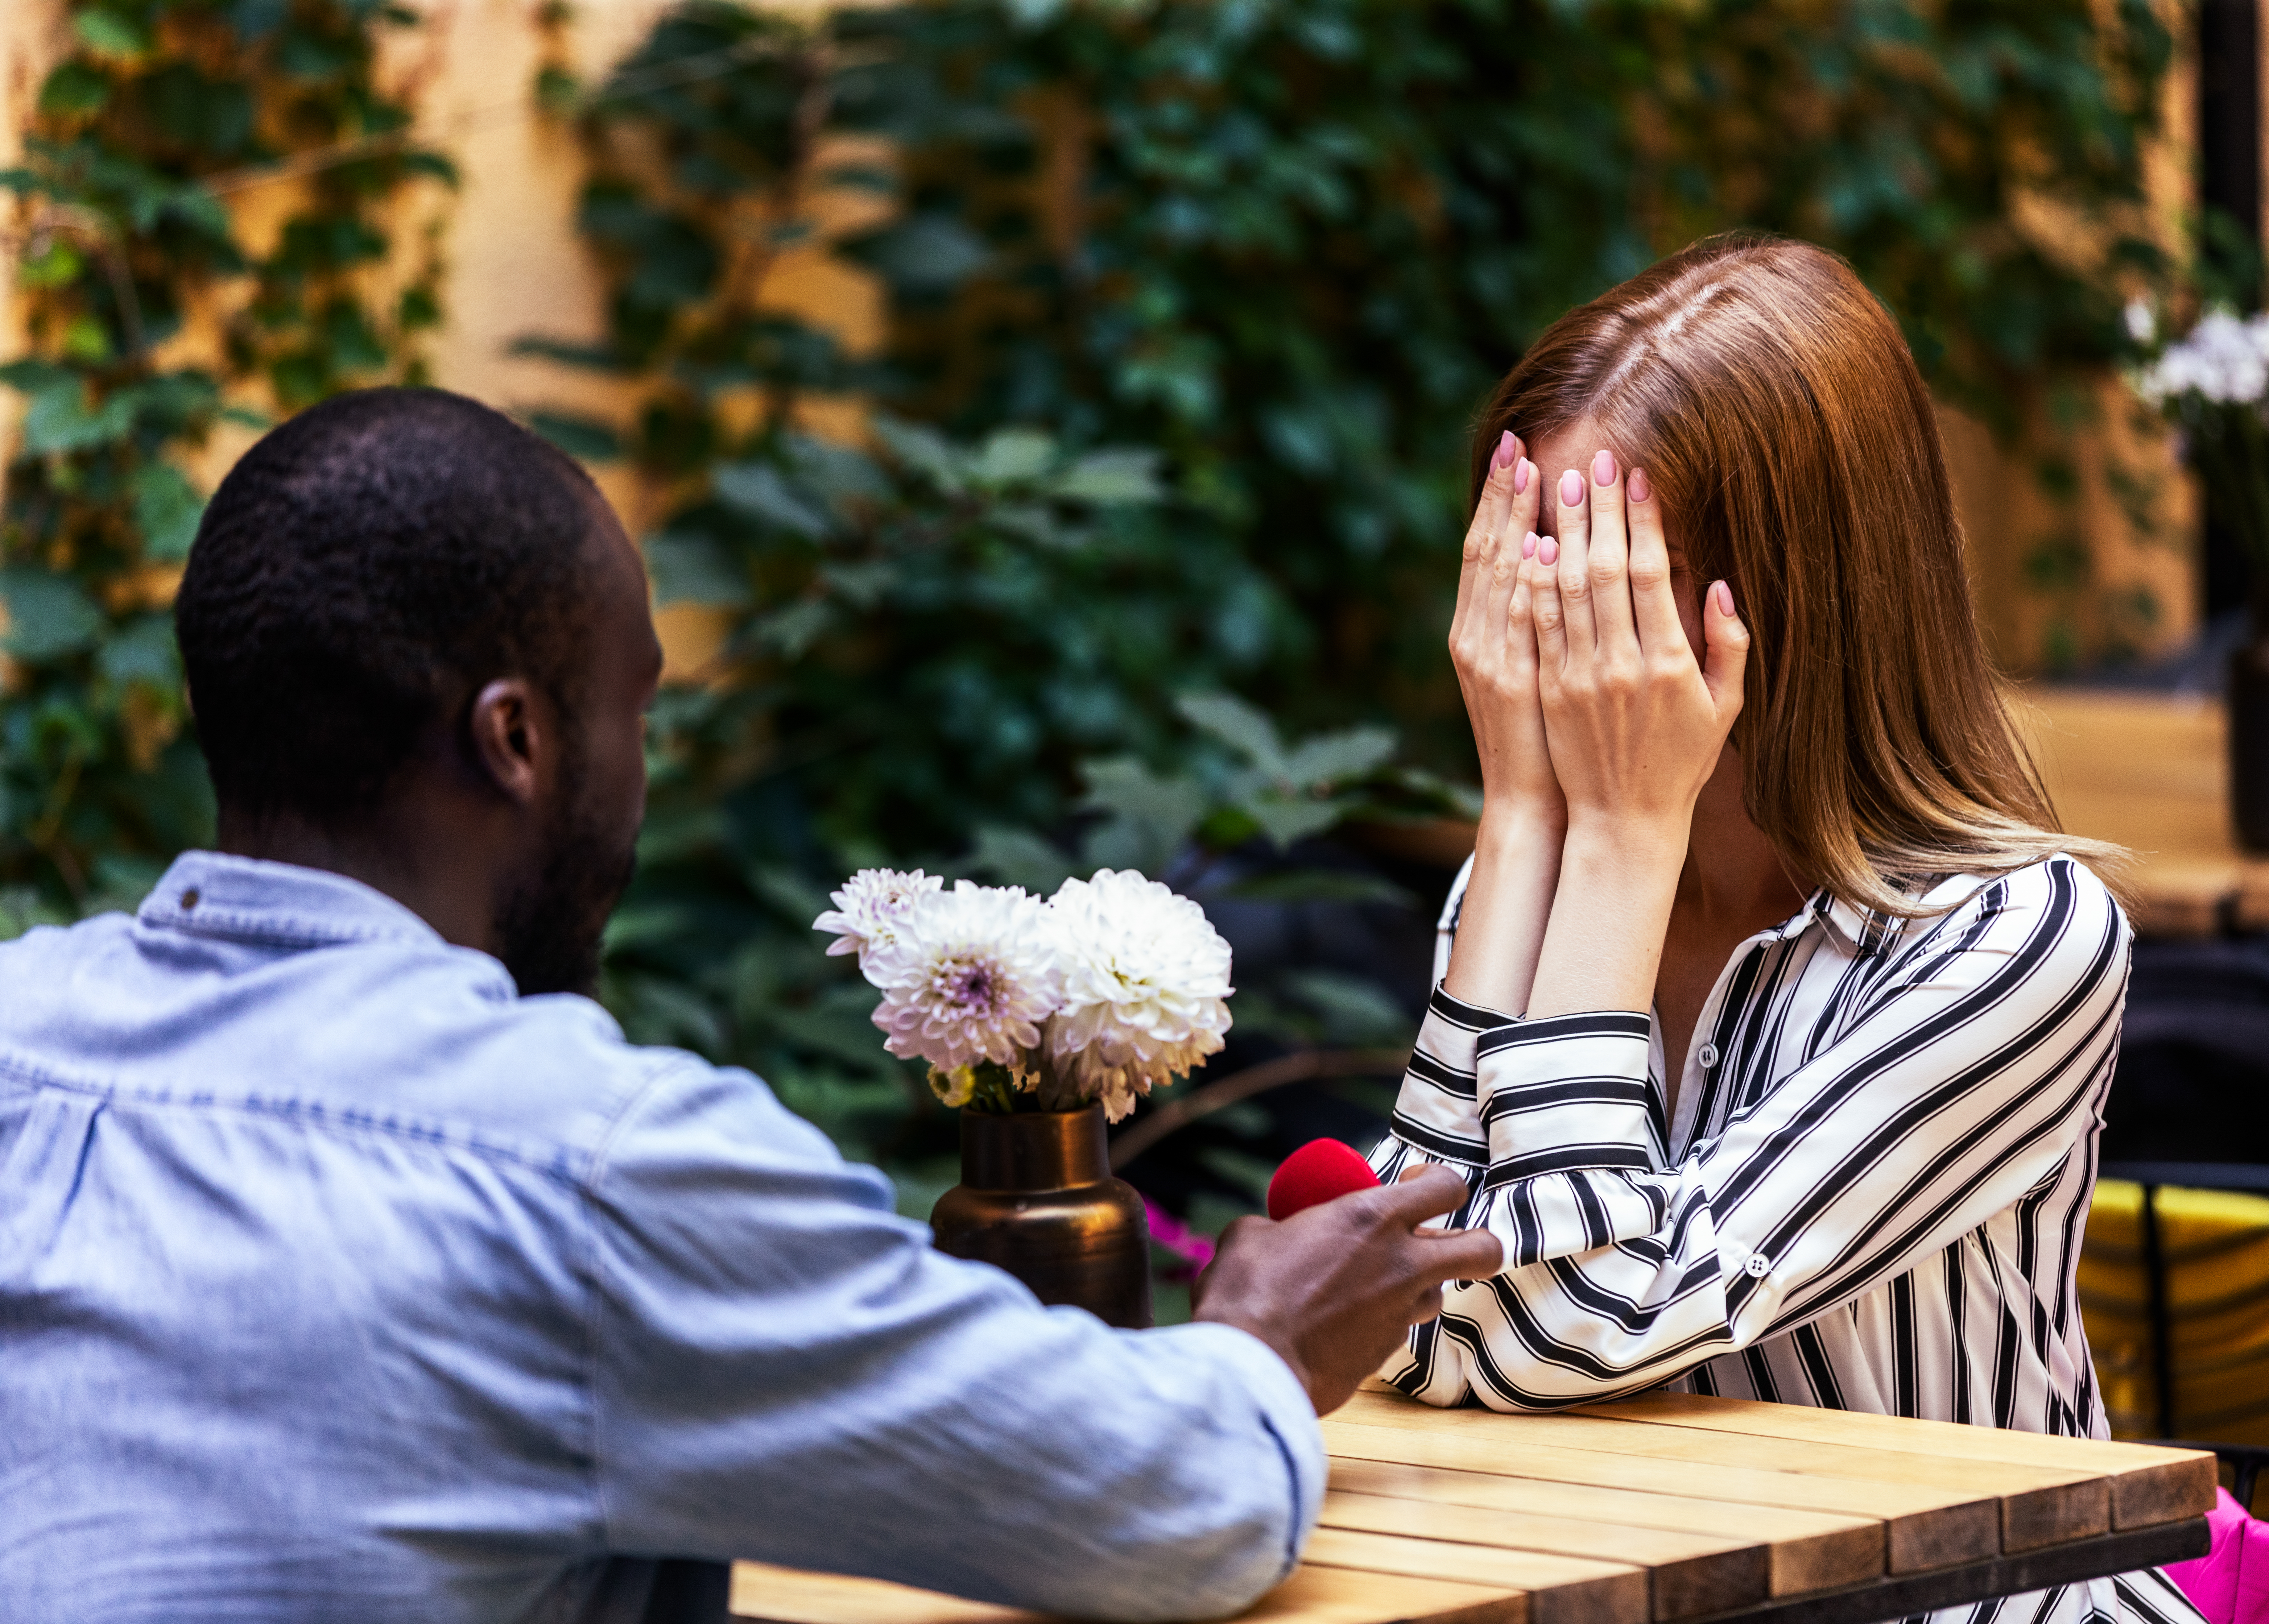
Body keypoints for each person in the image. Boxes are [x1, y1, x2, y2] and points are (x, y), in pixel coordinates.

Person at [0, 387, 1504, 1624]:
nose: (641, 775)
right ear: (517, 740)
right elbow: (1167, 1508)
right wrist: (1260, 1341)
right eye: (635, 707)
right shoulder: (588, 1158)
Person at [1365, 233, 2202, 1624]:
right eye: (1537, 568)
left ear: (1800, 603)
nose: (1560, 635)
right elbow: (1407, 1314)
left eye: (1618, 585)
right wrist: (1520, 816)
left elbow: (1592, 1329)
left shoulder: (2013, 940)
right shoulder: (1521, 888)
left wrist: (1624, 836)